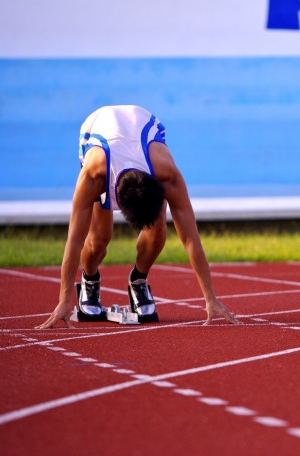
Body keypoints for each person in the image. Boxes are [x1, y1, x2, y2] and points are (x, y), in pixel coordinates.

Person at [37, 105, 239, 328]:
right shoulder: (94, 174)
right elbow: (74, 239)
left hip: (143, 126)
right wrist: (64, 300)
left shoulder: (166, 173)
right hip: (97, 130)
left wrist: (210, 298)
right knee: (98, 241)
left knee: (158, 230)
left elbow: (190, 238)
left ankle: (138, 280)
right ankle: (90, 279)